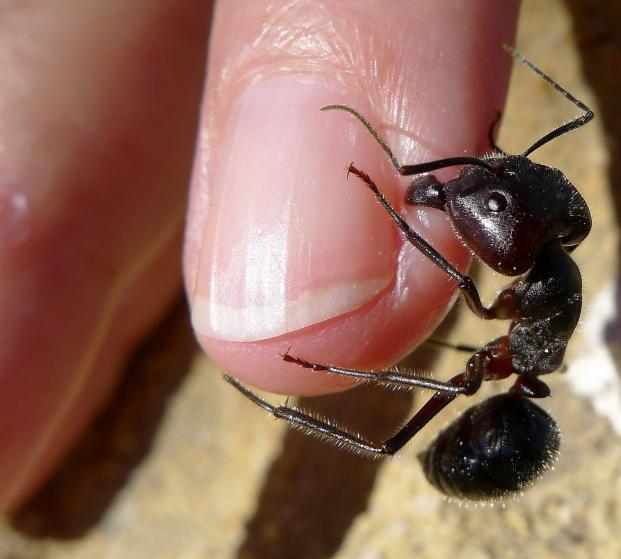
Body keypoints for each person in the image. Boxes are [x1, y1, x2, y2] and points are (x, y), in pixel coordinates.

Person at [0, 0, 521, 512]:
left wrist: (390, 207)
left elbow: (472, 287)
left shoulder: (516, 321)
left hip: (489, 447)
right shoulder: (529, 315)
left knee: (411, 401)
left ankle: (281, 405)